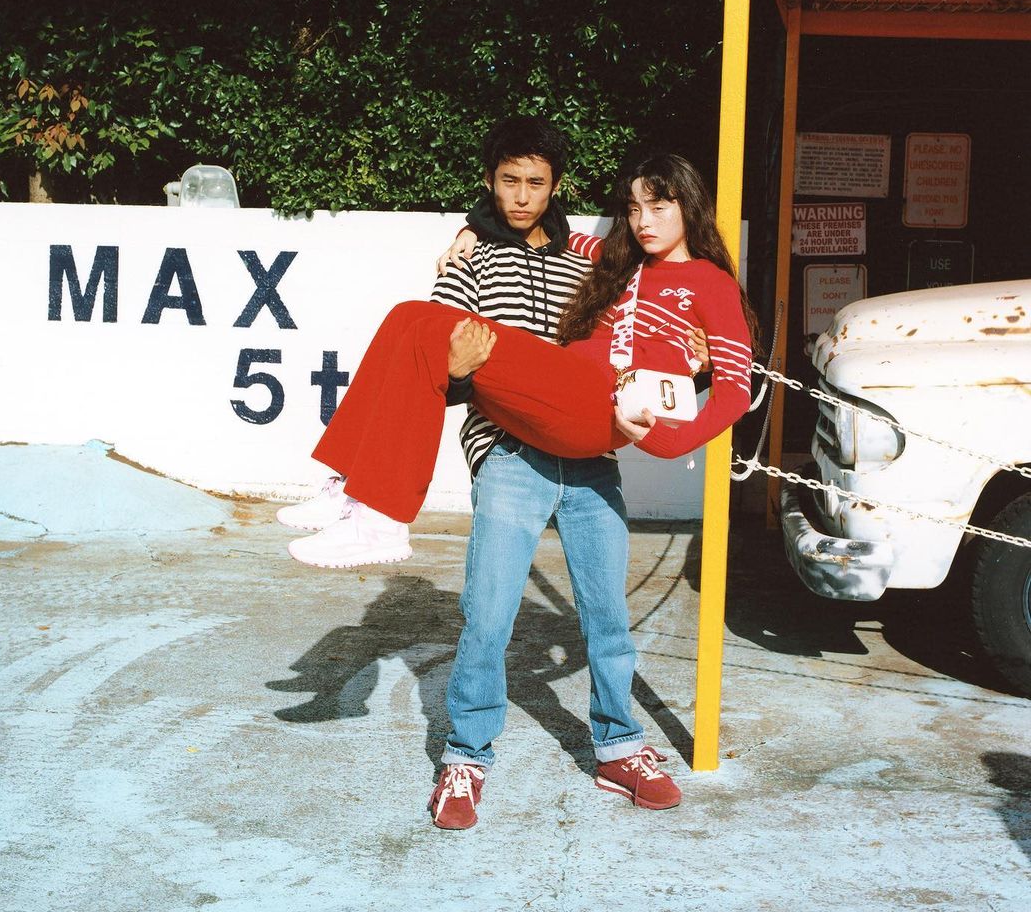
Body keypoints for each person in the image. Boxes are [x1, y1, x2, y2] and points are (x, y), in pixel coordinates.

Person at [280, 135, 755, 827]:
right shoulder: (610, 263)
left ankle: (620, 750)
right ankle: (466, 756)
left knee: (606, 620)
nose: (645, 220)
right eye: (634, 207)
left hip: (587, 435)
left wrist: (669, 436)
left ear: (690, 206)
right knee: (488, 616)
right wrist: (469, 235)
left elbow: (735, 389)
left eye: (661, 205)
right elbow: (454, 338)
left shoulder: (709, 281)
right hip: (516, 445)